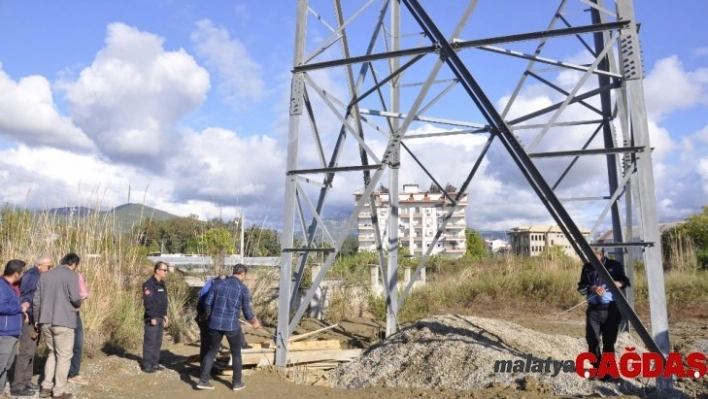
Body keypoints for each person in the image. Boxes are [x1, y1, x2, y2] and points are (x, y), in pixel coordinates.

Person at [197, 264, 260, 391]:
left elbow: (208, 302)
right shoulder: (243, 289)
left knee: (212, 351)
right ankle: (237, 383)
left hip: (214, 324)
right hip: (231, 325)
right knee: (236, 353)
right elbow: (247, 312)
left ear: (233, 272)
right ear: (243, 274)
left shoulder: (218, 284)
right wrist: (254, 322)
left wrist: (209, 316)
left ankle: (203, 381)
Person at [577, 248, 630, 382]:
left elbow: (624, 282)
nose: (590, 259)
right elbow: (582, 287)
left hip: (611, 309)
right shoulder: (587, 268)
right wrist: (593, 288)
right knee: (592, 340)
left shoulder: (614, 266)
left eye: (593, 256)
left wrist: (615, 284)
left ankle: (607, 372)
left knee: (609, 342)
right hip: (594, 310)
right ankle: (596, 368)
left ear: (601, 255)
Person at [34, 253, 82, 399]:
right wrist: (79, 303)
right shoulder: (72, 275)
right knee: (64, 356)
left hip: (45, 320)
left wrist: (37, 319)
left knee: (52, 353)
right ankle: (58, 391)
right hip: (64, 321)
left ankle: (46, 387)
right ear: (74, 264)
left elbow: (37, 299)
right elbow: (75, 298)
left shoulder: (45, 275)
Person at [10, 255, 54, 397]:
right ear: (40, 265)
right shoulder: (30, 276)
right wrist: (26, 314)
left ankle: (26, 380)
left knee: (31, 351)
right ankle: (17, 385)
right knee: (25, 352)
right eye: (49, 266)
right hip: (29, 318)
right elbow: (21, 295)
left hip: (37, 318)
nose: (50, 269)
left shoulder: (40, 276)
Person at [0, 260, 29, 399]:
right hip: (4, 333)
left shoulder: (9, 286)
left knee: (6, 365)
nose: (23, 275)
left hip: (12, 331)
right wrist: (20, 308)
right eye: (22, 272)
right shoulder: (1, 286)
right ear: (16, 274)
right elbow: (1, 307)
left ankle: (0, 392)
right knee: (1, 364)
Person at [141, 261, 169, 373]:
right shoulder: (149, 284)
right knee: (150, 341)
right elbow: (148, 302)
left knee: (157, 341)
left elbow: (162, 301)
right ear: (157, 270)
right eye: (164, 270)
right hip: (152, 317)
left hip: (160, 316)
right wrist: (151, 316)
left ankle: (155, 363)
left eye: (166, 270)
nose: (166, 272)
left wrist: (165, 314)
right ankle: (147, 364)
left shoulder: (162, 284)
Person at [67, 271, 90, 386]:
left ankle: (62, 374)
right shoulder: (77, 276)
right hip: (73, 314)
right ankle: (73, 374)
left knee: (61, 347)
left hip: (56, 316)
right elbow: (84, 294)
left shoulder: (52, 276)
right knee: (76, 345)